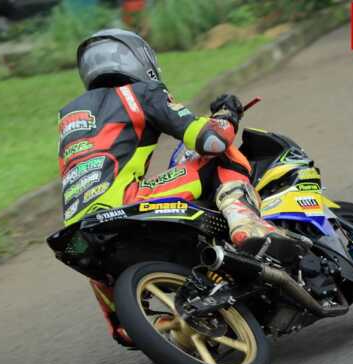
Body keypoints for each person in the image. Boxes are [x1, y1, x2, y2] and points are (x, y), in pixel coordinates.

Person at [59, 28, 290, 250]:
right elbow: (212, 141)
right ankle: (248, 225)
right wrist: (227, 114)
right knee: (221, 156)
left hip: (76, 225)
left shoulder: (68, 116)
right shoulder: (142, 92)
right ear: (137, 59)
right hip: (124, 203)